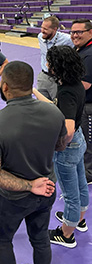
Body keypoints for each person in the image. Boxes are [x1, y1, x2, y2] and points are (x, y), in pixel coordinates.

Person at [0, 61, 68, 264]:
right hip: (47, 190)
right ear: (31, 86)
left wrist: (29, 185)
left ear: (5, 86)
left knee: (2, 242)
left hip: (13, 199)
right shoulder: (54, 113)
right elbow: (61, 144)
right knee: (40, 239)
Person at [33, 46, 89, 249]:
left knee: (70, 193)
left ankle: (66, 234)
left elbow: (69, 128)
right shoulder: (75, 84)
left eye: (50, 62)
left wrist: (59, 147)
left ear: (58, 65)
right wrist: (33, 91)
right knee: (81, 183)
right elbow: (56, 107)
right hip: (79, 143)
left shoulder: (66, 91)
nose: (48, 65)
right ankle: (78, 219)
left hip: (69, 146)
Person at [70, 19, 92, 184]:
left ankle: (89, 174)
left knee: (88, 141)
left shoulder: (89, 54)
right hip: (82, 104)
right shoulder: (79, 50)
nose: (75, 35)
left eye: (79, 32)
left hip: (88, 106)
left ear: (90, 32)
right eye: (72, 32)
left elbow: (84, 85)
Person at [37, 15, 73, 100]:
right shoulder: (40, 37)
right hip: (43, 76)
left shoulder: (67, 39)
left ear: (55, 29)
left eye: (45, 29)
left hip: (58, 79)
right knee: (41, 104)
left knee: (57, 106)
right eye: (42, 28)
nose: (42, 31)